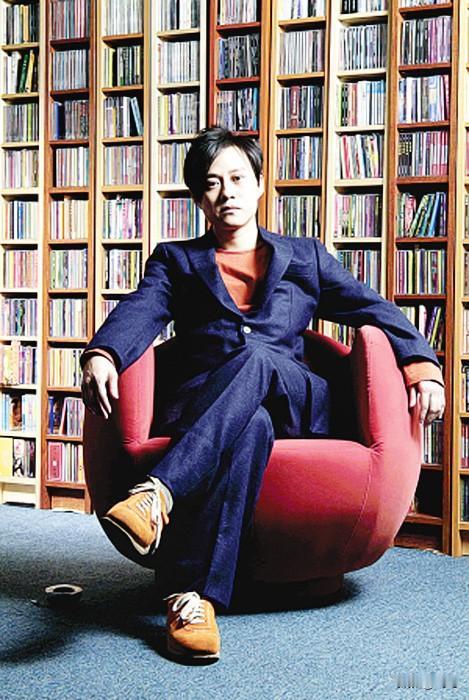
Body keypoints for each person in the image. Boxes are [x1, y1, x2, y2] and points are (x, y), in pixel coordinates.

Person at [81, 126, 445, 662]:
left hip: (296, 399)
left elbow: (374, 309)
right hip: (216, 404)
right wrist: (103, 353)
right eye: (212, 183)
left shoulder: (305, 256)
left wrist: (423, 366)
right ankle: (192, 601)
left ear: (258, 184)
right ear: (198, 198)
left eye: (236, 179)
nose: (226, 192)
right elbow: (141, 309)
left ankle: (157, 493)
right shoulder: (176, 260)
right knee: (249, 425)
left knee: (255, 356)